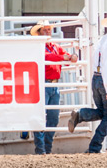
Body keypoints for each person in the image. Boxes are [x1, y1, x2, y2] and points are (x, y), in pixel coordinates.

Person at [67, 11, 107, 153]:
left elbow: (98, 62)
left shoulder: (104, 40)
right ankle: (95, 146)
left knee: (103, 112)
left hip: (97, 78)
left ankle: (80, 115)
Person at [30, 20, 78, 155]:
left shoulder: (55, 47)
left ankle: (45, 148)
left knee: (53, 117)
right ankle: (41, 149)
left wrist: (70, 57)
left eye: (48, 29)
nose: (47, 32)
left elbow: (65, 57)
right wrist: (65, 57)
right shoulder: (39, 47)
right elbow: (53, 57)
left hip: (53, 84)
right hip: (42, 84)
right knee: (41, 117)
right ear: (39, 33)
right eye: (44, 30)